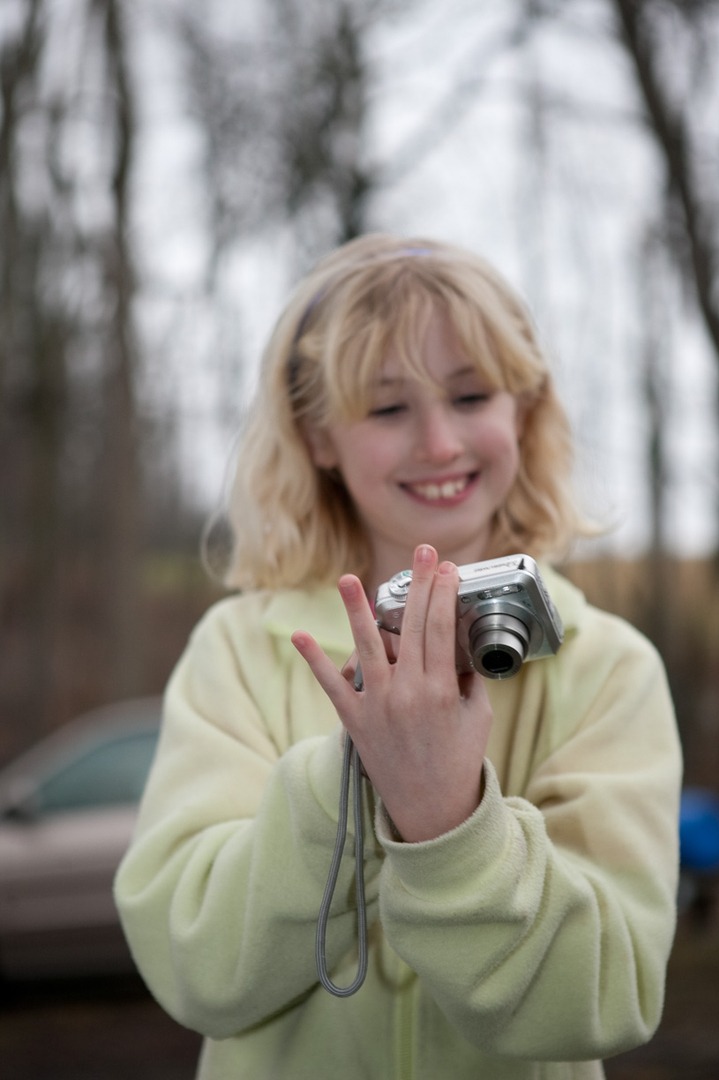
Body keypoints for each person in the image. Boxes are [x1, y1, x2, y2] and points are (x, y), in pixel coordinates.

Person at [114, 234, 682, 1080]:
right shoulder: (234, 652)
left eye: (471, 394)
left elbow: (610, 993)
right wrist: (360, 771)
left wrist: (453, 820)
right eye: (387, 409)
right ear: (317, 438)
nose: (440, 442)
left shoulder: (609, 668)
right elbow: (194, 965)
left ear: (523, 408)